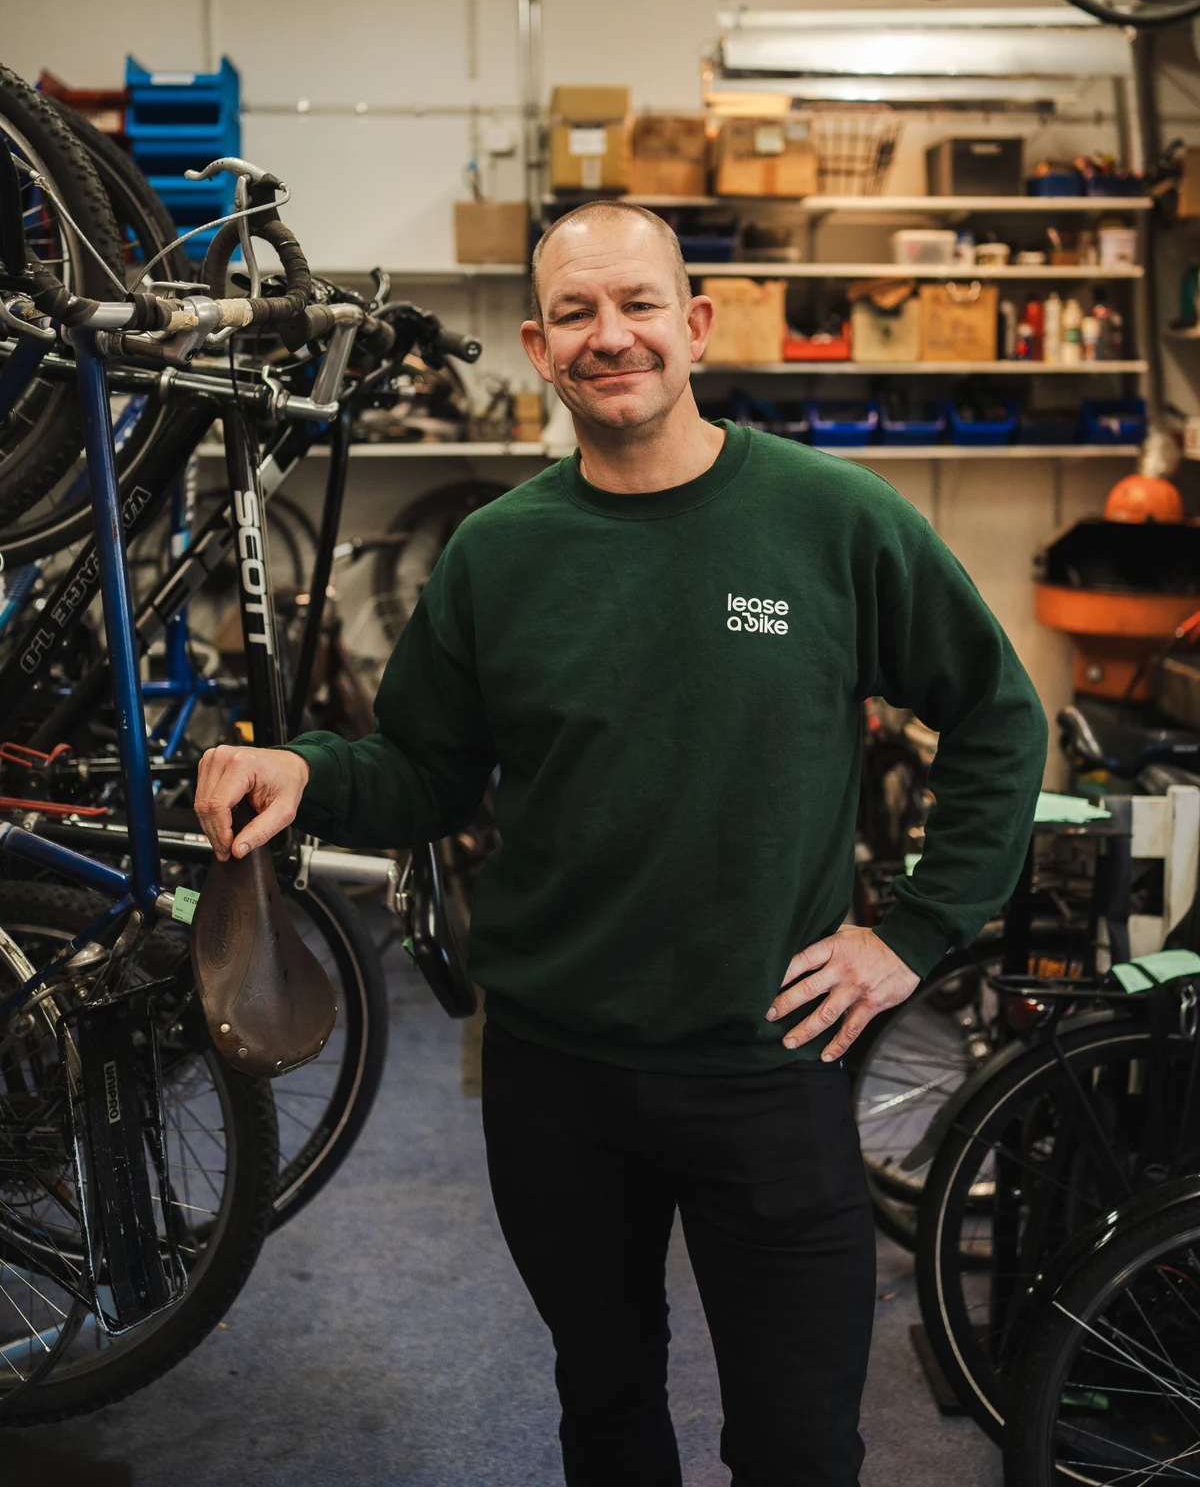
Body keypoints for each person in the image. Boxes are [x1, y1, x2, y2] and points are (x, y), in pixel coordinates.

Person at [195, 202, 1047, 1487]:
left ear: (692, 324)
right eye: (579, 315)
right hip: (554, 1072)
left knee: (801, 1438)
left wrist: (913, 936)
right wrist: (298, 768)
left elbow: (998, 717)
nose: (614, 337)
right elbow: (424, 774)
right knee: (602, 1404)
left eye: (639, 304)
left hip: (771, 1059)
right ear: (539, 346)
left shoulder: (835, 521)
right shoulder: (499, 554)